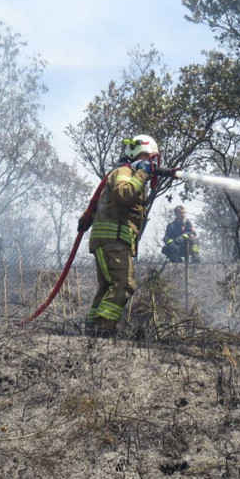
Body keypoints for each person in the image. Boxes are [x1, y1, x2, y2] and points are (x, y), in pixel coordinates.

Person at [81, 136, 160, 338]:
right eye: (146, 157)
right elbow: (124, 194)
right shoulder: (124, 172)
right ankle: (103, 329)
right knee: (124, 285)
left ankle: (92, 330)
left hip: (110, 240)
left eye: (152, 159)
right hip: (112, 240)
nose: (149, 163)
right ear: (134, 154)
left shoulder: (127, 173)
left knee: (108, 286)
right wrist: (142, 173)